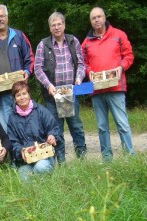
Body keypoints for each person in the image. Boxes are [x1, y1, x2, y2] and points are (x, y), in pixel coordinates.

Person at [81, 7, 135, 161]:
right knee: (102, 127)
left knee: (122, 124)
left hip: (116, 88)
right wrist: (88, 71)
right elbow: (82, 62)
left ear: (104, 18)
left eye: (99, 17)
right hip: (96, 90)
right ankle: (107, 159)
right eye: (93, 18)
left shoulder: (119, 35)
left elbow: (129, 55)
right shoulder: (86, 42)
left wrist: (121, 67)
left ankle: (130, 157)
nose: (97, 20)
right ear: (90, 22)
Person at [34, 12, 87, 164]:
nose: (56, 27)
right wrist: (49, 85)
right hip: (52, 95)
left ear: (64, 25)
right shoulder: (43, 44)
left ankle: (82, 159)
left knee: (76, 126)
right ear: (50, 28)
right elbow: (37, 68)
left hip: (70, 93)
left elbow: (81, 64)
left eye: (59, 24)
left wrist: (78, 79)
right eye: (53, 25)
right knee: (56, 129)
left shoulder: (73, 41)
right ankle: (61, 162)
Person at [0, 4, 34, 132]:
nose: (0, 19)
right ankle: (10, 152)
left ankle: (25, 151)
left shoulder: (19, 36)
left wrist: (27, 72)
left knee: (25, 124)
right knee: (6, 128)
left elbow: (30, 58)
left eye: (2, 16)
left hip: (19, 92)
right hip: (0, 95)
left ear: (7, 18)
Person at [7, 81, 62, 181]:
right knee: (24, 178)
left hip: (44, 156)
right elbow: (12, 141)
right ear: (14, 98)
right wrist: (20, 151)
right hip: (24, 160)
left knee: (40, 168)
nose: (22, 97)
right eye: (18, 95)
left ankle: (47, 184)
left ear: (29, 94)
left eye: (24, 93)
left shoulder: (41, 111)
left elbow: (54, 129)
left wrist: (52, 136)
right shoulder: (12, 118)